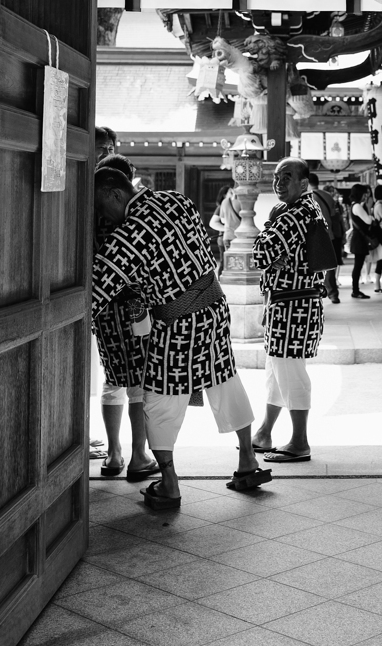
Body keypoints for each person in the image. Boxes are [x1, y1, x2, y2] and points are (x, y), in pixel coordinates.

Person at [93, 167, 268, 508]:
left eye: (102, 207)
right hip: (215, 308)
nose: (103, 216)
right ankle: (248, 461)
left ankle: (169, 483)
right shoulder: (178, 201)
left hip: (177, 322)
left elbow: (96, 293)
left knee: (159, 399)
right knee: (225, 380)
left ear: (116, 194)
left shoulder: (126, 236)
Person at [251, 158, 328, 463]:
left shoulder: (293, 215)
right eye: (276, 177)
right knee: (277, 371)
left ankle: (299, 441)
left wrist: (268, 231)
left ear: (303, 184)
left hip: (292, 305)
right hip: (292, 302)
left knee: (290, 372)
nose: (279, 183)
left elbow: (260, 255)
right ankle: (265, 432)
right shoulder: (303, 209)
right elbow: (270, 254)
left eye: (287, 177)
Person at [93, 155, 156, 482]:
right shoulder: (132, 216)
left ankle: (114, 454)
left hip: (103, 309)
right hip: (133, 307)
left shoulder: (89, 213)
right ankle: (139, 456)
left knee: (112, 379)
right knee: (139, 383)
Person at [308, 172, 345, 303]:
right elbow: (335, 215)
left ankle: (314, 294)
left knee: (311, 266)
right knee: (329, 266)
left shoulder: (306, 197)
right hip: (329, 235)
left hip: (313, 237)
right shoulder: (327, 196)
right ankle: (333, 294)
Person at [347, 184, 376, 299]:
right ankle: (355, 290)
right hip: (359, 240)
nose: (366, 196)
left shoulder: (355, 205)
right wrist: (369, 211)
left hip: (358, 239)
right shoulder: (358, 206)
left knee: (358, 265)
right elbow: (368, 221)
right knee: (358, 266)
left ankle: (356, 290)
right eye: (364, 194)